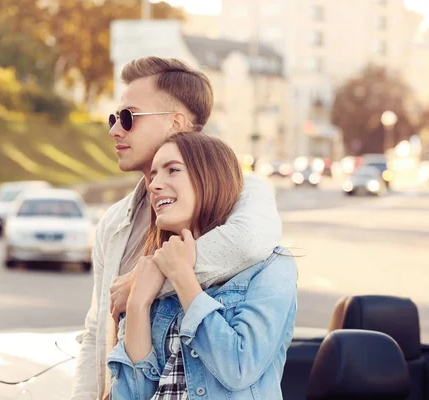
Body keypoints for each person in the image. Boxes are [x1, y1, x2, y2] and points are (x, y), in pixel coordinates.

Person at [70, 56, 282, 400]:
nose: (114, 130)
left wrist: (150, 278)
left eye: (128, 117)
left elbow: (247, 243)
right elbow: (97, 330)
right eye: (114, 118)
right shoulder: (114, 222)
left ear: (177, 124)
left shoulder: (244, 191)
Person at [107, 132, 297, 399]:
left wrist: (182, 278)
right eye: (153, 175)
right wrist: (139, 302)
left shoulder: (271, 267)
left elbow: (239, 368)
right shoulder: (149, 273)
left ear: (210, 178)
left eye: (172, 170)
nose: (155, 184)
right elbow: (132, 394)